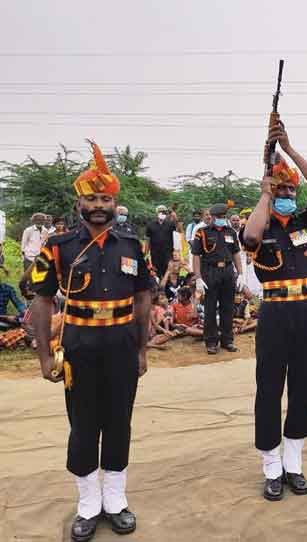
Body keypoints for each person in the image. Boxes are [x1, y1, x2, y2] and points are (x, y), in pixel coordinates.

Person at [28, 141, 151, 541]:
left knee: (119, 421)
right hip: (78, 345)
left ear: (114, 203)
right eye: (92, 197)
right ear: (80, 203)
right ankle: (87, 505)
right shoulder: (59, 247)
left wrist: (141, 348)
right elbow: (42, 299)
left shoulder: (132, 245)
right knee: (82, 425)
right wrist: (45, 356)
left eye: (106, 197)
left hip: (121, 344)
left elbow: (143, 295)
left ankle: (115, 501)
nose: (99, 204)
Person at [241, 114, 307, 501]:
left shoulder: (306, 221)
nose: (289, 194)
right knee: (269, 387)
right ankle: (271, 465)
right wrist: (263, 193)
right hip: (275, 313)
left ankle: (294, 463)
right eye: (282, 190)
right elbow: (250, 236)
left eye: (290, 189)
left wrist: (289, 149)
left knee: (303, 384)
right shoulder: (261, 220)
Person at [191, 203, 243, 355]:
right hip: (210, 272)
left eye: (224, 216)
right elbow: (195, 255)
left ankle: (227, 340)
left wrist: (240, 274)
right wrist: (198, 277)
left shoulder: (231, 232)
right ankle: (211, 341)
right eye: (219, 217)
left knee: (228, 307)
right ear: (212, 217)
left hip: (227, 271)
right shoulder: (202, 233)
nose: (222, 219)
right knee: (210, 308)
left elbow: (236, 254)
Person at [145, 205, 180, 278]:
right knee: (156, 273)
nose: (162, 213)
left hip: (168, 253)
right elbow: (147, 240)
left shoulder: (170, 223)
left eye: (164, 212)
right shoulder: (150, 225)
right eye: (160, 211)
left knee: (167, 273)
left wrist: (175, 219)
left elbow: (179, 231)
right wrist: (146, 253)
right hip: (155, 253)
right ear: (157, 213)